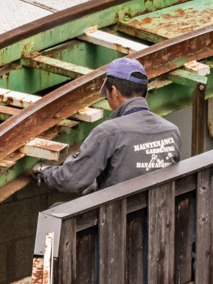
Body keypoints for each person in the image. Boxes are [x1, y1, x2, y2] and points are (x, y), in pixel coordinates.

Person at [34, 58, 181, 195]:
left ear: (115, 92)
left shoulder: (108, 133)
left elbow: (71, 180)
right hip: (162, 214)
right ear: (146, 94)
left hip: (118, 217)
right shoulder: (171, 130)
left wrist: (45, 172)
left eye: (107, 94)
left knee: (56, 210)